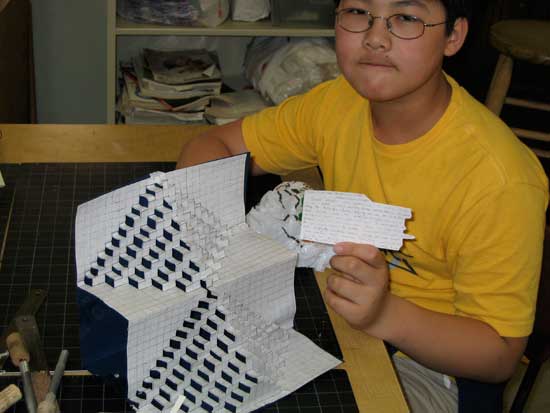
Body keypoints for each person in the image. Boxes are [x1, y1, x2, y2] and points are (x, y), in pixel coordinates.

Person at [177, 0, 549, 411]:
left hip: (433, 368)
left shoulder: (500, 180)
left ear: (454, 36)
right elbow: (215, 143)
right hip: (340, 317)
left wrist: (383, 314)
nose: (374, 37)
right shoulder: (338, 103)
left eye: (406, 18)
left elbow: (498, 355)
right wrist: (201, 227)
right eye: (357, 12)